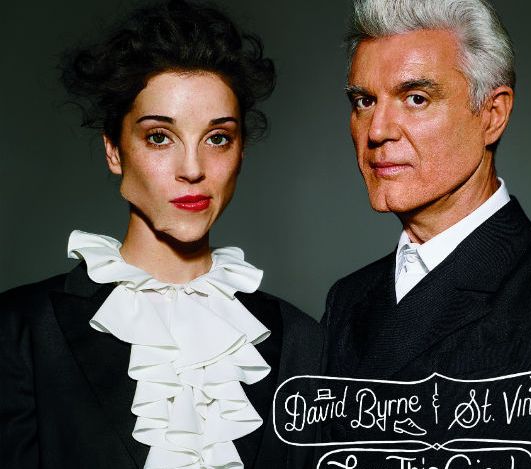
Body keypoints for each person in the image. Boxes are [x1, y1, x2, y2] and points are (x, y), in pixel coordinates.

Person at [0, 1, 322, 468]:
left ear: (241, 153)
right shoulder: (22, 329)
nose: (192, 169)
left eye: (217, 138)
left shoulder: (300, 339)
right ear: (114, 150)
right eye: (159, 137)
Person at [321, 0, 531, 465]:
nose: (378, 131)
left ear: (492, 114)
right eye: (364, 101)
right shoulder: (348, 300)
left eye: (416, 98)